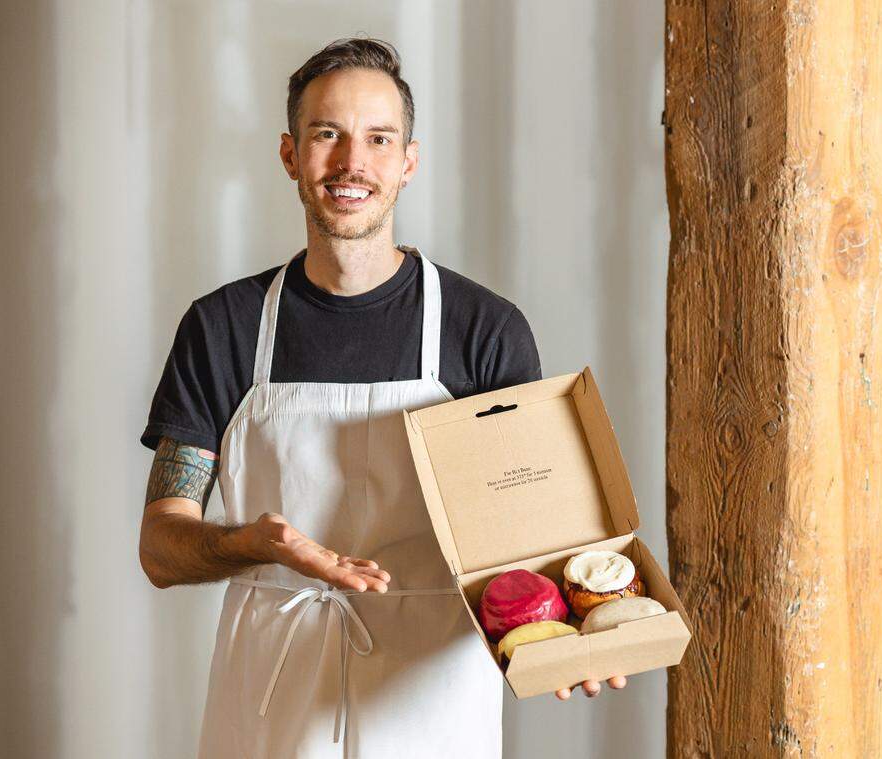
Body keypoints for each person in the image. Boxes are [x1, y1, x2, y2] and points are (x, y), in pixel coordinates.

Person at [137, 37, 625, 758]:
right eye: (326, 134)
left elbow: (531, 527)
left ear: (408, 161)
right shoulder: (224, 327)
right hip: (270, 702)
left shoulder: (483, 330)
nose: (351, 163)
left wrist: (580, 631)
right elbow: (160, 546)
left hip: (431, 701)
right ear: (289, 154)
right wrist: (255, 544)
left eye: (378, 138)